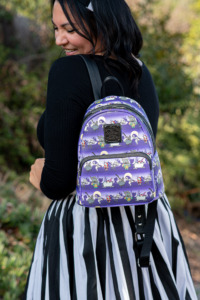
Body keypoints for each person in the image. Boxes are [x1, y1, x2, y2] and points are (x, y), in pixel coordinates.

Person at [24, 0, 197, 299]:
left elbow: (58, 181)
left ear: (101, 21)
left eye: (69, 28)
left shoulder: (67, 71)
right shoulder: (140, 70)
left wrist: (39, 175)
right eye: (56, 28)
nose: (58, 39)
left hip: (88, 227)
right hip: (147, 223)